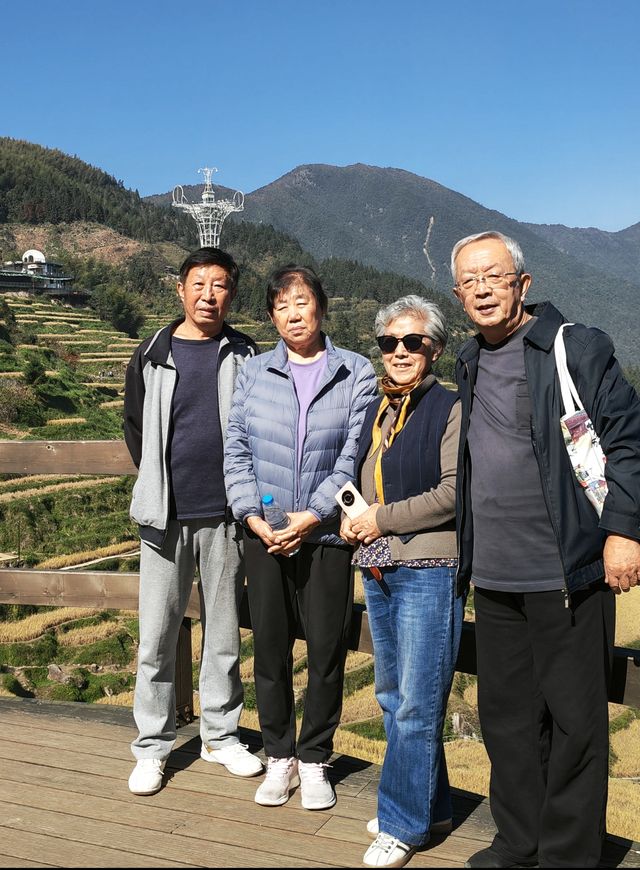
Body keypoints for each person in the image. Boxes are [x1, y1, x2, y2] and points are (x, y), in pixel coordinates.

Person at [450, 231, 640, 868]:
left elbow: (628, 438)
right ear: (458, 295)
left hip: (567, 572)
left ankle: (566, 855)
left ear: (522, 284)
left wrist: (624, 530)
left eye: (494, 276)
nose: (481, 288)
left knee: (575, 722)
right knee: (506, 719)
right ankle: (518, 840)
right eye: (469, 281)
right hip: (496, 576)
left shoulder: (572, 346)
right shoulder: (468, 359)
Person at [223, 264, 378, 811]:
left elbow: (352, 456)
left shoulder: (356, 372)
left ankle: (314, 760)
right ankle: (278, 755)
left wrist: (311, 518)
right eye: (282, 304)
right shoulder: (254, 371)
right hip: (263, 534)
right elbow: (236, 448)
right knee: (268, 647)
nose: (293, 313)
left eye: (302, 301)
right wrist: (252, 516)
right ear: (271, 315)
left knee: (327, 651)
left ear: (321, 308)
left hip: (327, 537)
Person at [123, 246, 264, 796]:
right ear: (180, 289)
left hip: (227, 515)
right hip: (165, 516)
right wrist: (160, 482)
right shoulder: (152, 352)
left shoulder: (245, 352)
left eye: (221, 285)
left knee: (223, 633)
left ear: (231, 293)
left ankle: (219, 736)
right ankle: (152, 746)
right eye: (199, 284)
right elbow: (136, 428)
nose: (209, 295)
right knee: (156, 636)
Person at [339, 295, 464, 869]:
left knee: (416, 702)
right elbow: (367, 474)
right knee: (393, 697)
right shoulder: (380, 410)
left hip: (428, 568)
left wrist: (378, 518)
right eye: (389, 343)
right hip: (381, 565)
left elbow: (452, 493)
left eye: (412, 342)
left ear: (434, 348)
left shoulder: (449, 407)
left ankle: (401, 825)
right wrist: (354, 515)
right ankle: (428, 803)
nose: (399, 352)